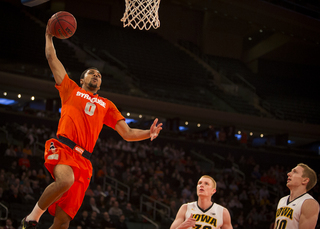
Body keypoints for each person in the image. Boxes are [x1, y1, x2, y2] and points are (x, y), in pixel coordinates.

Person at [21, 19, 163, 229]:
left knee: (62, 222)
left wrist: (147, 133)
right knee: (65, 180)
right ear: (82, 79)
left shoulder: (107, 104)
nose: (96, 75)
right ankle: (31, 219)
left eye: (99, 75)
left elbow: (128, 133)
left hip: (84, 161)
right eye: (92, 73)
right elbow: (52, 58)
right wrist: (49, 36)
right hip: (63, 146)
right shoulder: (70, 89)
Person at [273, 163, 319, 229]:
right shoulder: (282, 200)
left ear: (305, 180)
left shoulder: (308, 203)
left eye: (295, 172)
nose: (288, 174)